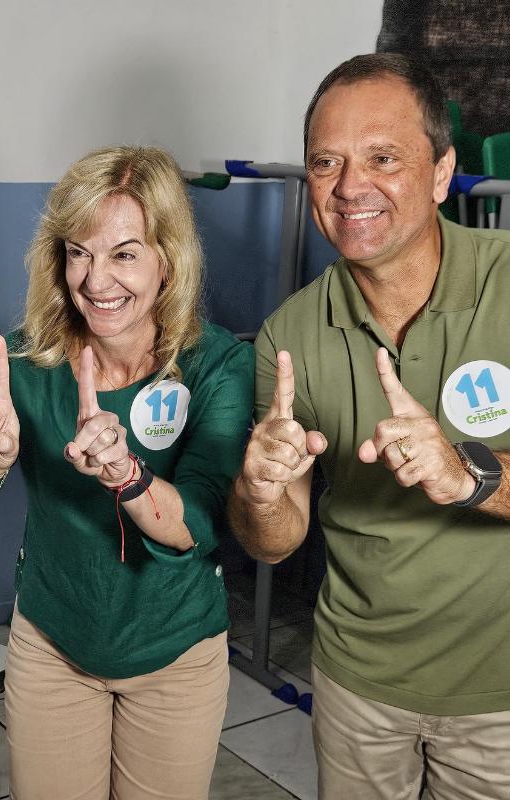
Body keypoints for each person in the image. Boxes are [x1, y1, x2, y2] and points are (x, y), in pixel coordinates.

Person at [0, 145, 254, 799]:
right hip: (53, 646)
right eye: (79, 252)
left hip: (176, 654)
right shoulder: (26, 364)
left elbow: (198, 523)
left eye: (124, 254)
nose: (96, 281)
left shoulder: (217, 366)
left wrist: (128, 475)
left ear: (168, 260)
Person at [228, 53, 510, 799]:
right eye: (327, 162)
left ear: (442, 173)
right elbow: (274, 541)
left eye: (383, 158)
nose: (351, 187)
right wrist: (260, 493)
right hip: (357, 687)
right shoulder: (288, 335)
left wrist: (469, 473)